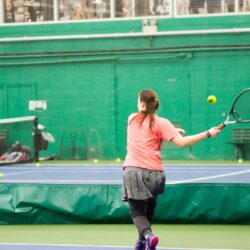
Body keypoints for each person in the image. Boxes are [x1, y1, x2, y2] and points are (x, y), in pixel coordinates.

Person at [122, 89, 221, 250]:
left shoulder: (132, 118)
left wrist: (173, 132)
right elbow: (181, 142)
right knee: (151, 205)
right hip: (155, 174)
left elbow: (148, 127)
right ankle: (142, 243)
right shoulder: (163, 123)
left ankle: (148, 236)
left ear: (141, 104)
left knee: (137, 212)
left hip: (133, 172)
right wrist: (207, 133)